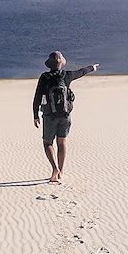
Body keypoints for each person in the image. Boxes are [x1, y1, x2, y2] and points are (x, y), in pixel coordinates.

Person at [33, 51, 98, 183]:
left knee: (47, 143)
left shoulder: (44, 77)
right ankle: (61, 172)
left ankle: (54, 169)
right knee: (62, 143)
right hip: (65, 115)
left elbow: (37, 97)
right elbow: (81, 72)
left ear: (49, 65)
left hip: (49, 116)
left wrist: (35, 115)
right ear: (61, 63)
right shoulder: (66, 75)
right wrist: (92, 67)